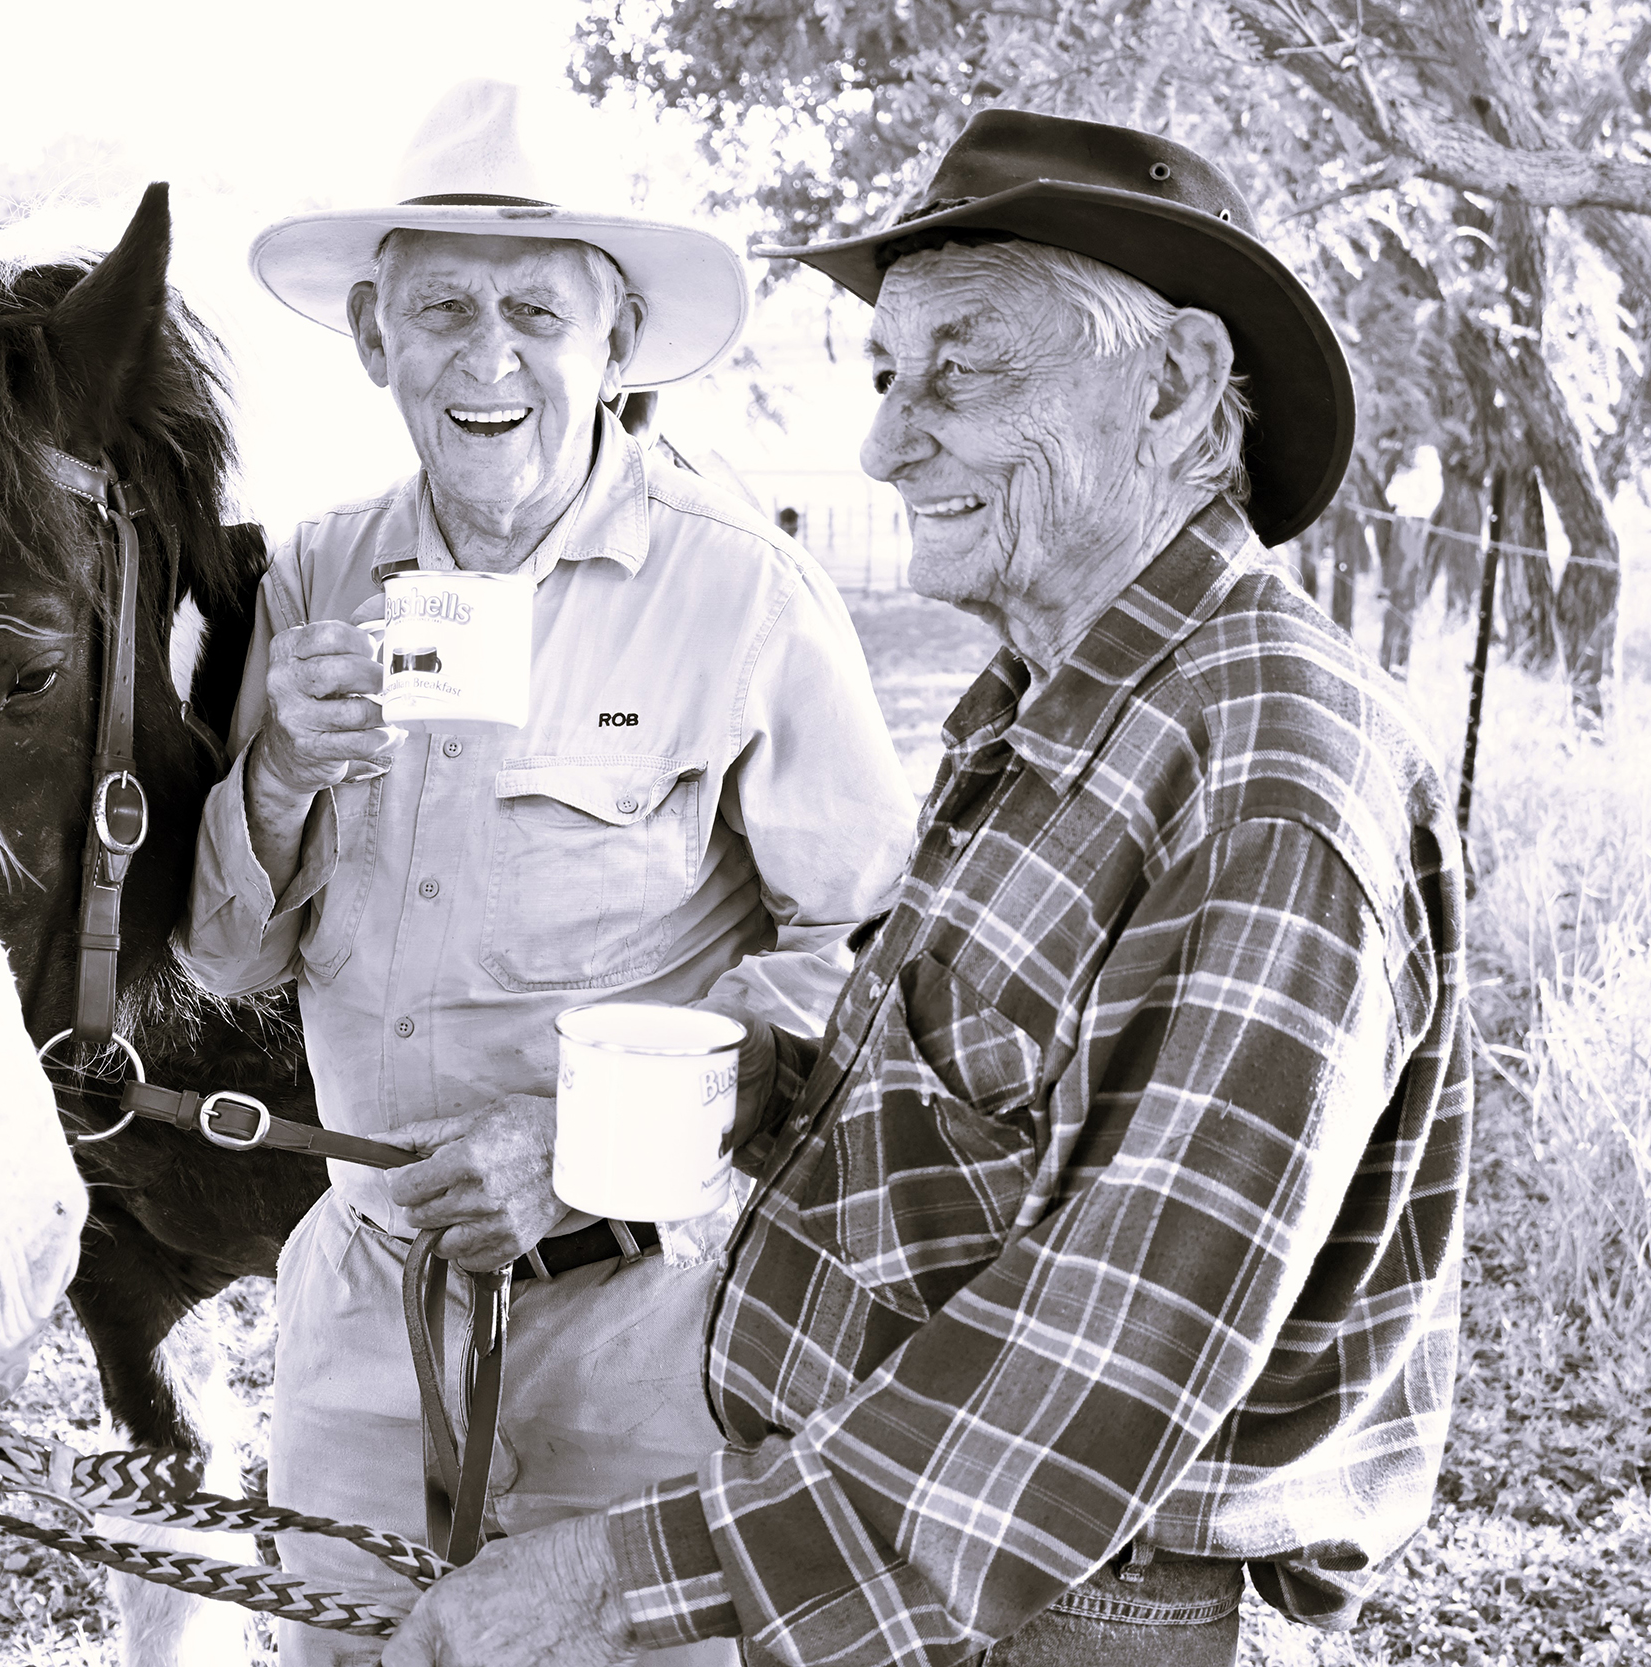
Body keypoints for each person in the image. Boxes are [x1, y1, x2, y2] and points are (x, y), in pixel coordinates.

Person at [380, 110, 1471, 1667]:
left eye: (963, 371)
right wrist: (740, 1085)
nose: (889, 445)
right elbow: (991, 1113)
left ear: (1171, 387)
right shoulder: (1062, 702)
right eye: (891, 377)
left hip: (1083, 1616)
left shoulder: (1268, 775)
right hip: (938, 1575)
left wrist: (603, 1584)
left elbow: (1095, 1372)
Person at [177, 80, 917, 1665]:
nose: (488, 359)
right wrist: (280, 770)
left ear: (618, 342)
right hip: (362, 1318)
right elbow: (229, 963)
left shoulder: (743, 594)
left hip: (645, 1331)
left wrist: (590, 1147)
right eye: (443, 310)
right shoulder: (314, 574)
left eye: (536, 314)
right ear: (373, 338)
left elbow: (869, 947)